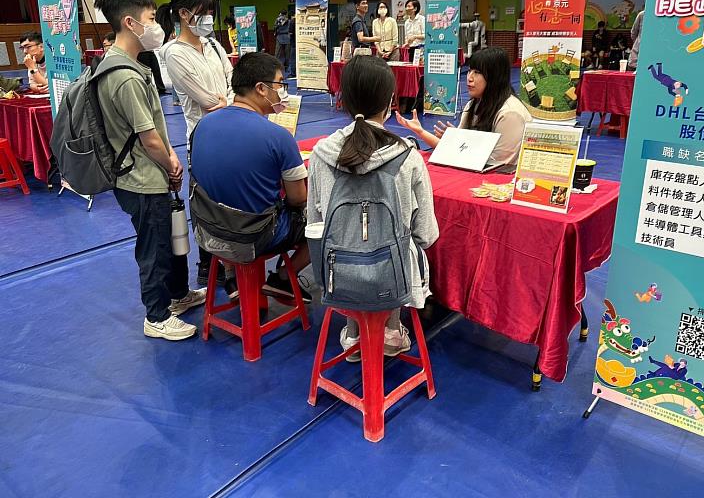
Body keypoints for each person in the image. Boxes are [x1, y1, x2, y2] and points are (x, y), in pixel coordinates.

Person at [93, 0, 205, 340]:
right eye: (152, 18)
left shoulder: (129, 64)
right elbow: (149, 136)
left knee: (169, 239)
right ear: (130, 22)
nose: (157, 25)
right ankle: (156, 316)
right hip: (141, 178)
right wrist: (172, 163)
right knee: (154, 247)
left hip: (149, 171)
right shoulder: (124, 76)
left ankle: (178, 295)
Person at [308, 55, 439, 360]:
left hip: (337, 277)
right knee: (401, 247)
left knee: (350, 246)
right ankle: (393, 330)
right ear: (390, 101)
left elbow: (315, 223)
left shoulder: (320, 154)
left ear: (344, 99)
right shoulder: (408, 157)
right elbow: (426, 234)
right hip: (395, 283)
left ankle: (353, 332)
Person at [191, 52, 311, 302]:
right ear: (261, 88)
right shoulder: (278, 137)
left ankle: (232, 274)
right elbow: (298, 199)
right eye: (280, 84)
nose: (282, 92)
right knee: (323, 222)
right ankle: (283, 278)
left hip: (208, 229)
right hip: (254, 236)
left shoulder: (202, 126)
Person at [159, 0, 236, 292]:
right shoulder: (174, 53)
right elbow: (206, 101)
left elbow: (234, 84)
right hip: (203, 139)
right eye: (203, 13)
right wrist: (227, 100)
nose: (208, 19)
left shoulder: (215, 46)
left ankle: (230, 263)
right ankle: (210, 266)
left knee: (231, 200)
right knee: (209, 204)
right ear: (184, 14)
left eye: (210, 13)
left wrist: (227, 100)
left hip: (231, 130)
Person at [396, 47, 532, 166]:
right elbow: (454, 152)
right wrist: (420, 131)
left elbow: (498, 164)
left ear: (495, 77)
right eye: (469, 71)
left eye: (477, 72)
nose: (469, 77)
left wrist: (459, 142)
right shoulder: (473, 104)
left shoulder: (510, 114)